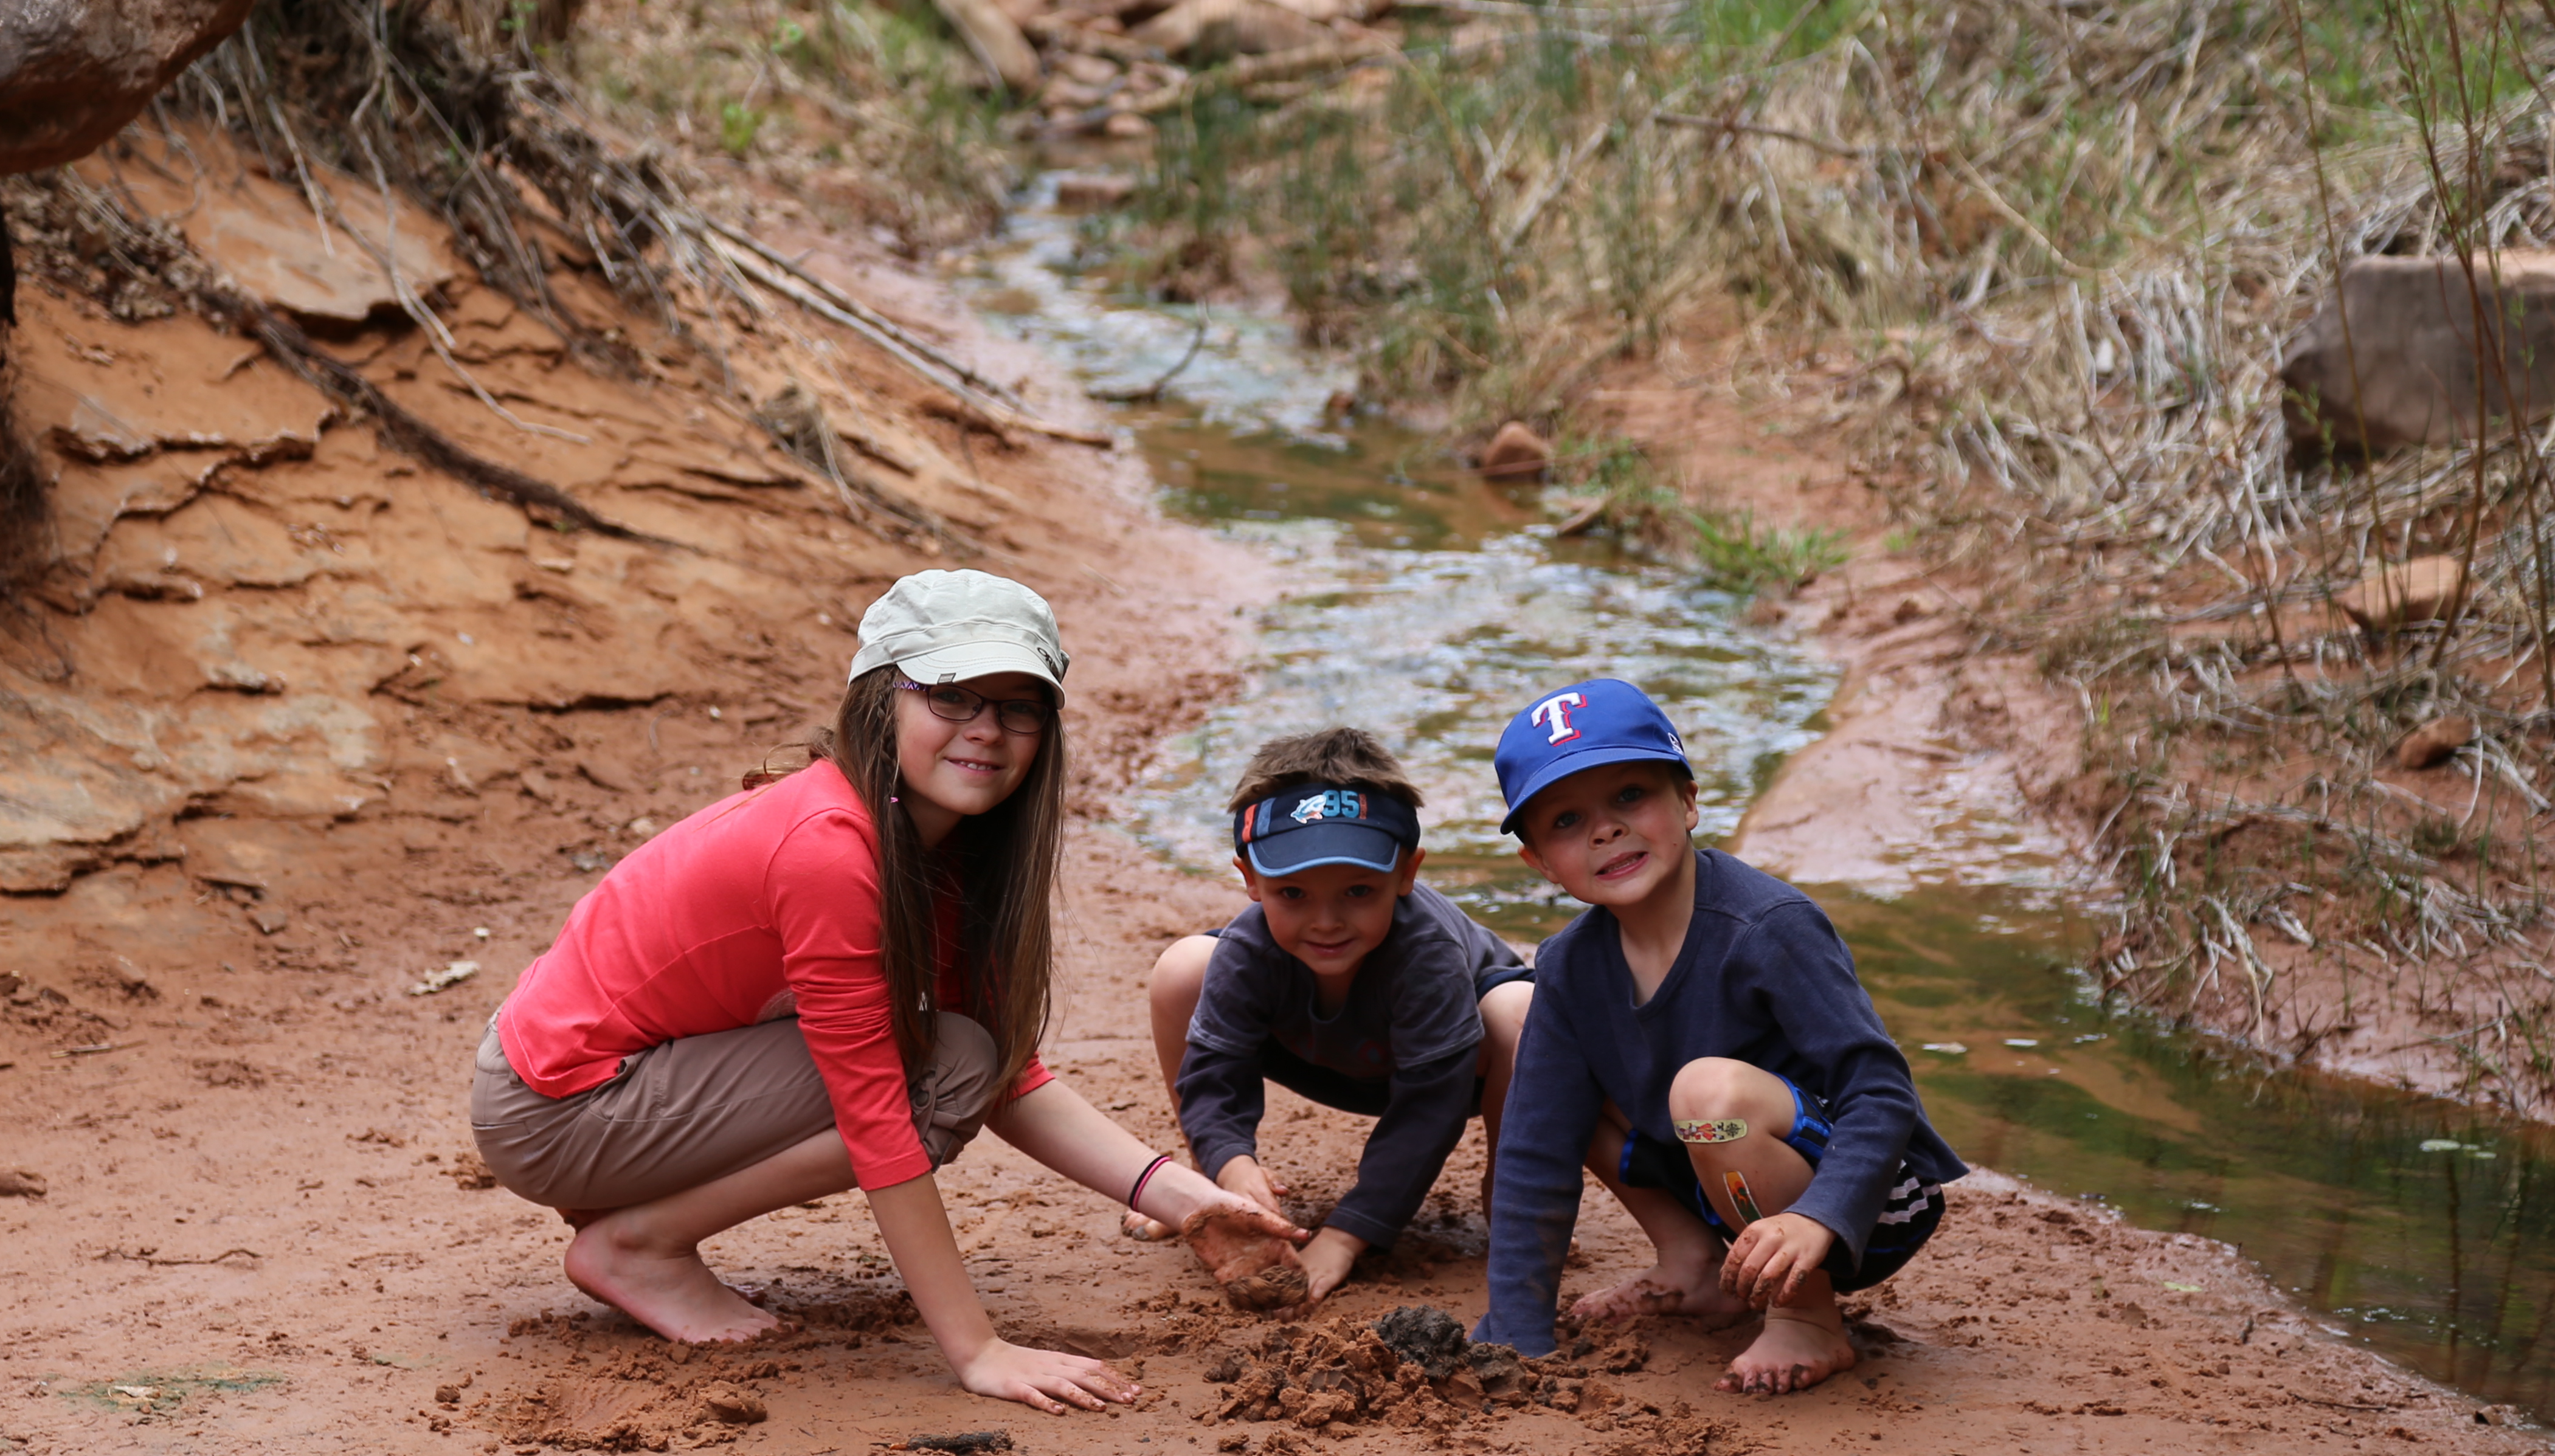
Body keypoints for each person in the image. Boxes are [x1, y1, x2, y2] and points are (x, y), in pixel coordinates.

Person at [468, 570, 1309, 1412]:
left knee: (964, 1057)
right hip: (556, 1106)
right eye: (952, 697)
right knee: (935, 1073)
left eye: (1019, 706)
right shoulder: (831, 848)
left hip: (637, 1084)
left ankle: (638, 1221)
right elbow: (877, 1108)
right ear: (882, 702)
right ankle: (639, 1245)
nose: (986, 730)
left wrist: (1191, 1201)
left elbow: (1007, 1076)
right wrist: (978, 1351)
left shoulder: (941, 846)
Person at [1474, 677, 1965, 1392]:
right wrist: (1518, 1332)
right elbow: (1535, 1149)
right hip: (1722, 1183)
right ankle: (1694, 1267)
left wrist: (1820, 1219)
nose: (1606, 830)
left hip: (1863, 1198)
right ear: (1540, 863)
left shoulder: (1768, 928)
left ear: (1690, 799)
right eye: (1567, 822)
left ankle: (1807, 1320)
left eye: (1630, 796)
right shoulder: (1573, 965)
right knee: (1537, 1054)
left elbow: (1881, 1094)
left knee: (1708, 1092)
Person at [1129, 728, 1533, 1304]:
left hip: (1459, 1066)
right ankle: (1209, 1187)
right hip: (1321, 1050)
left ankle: (1514, 1187)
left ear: (1406, 873)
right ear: (1249, 878)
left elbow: (1429, 1108)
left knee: (1519, 1011)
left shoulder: (1426, 953)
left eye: (1358, 891)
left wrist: (1347, 1234)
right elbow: (1213, 1073)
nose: (1326, 921)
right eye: (1293, 894)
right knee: (1183, 968)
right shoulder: (1250, 949)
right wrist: (1232, 1161)